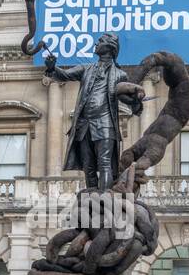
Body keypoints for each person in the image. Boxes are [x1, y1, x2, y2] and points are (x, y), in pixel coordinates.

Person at [47, 33, 144, 192]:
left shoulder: (120, 75)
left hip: (105, 124)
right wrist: (52, 68)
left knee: (104, 162)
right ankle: (91, 198)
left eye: (100, 41)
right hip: (85, 125)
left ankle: (104, 198)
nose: (96, 44)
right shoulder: (86, 68)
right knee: (88, 165)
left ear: (110, 47)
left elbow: (127, 98)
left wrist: (136, 100)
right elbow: (64, 75)